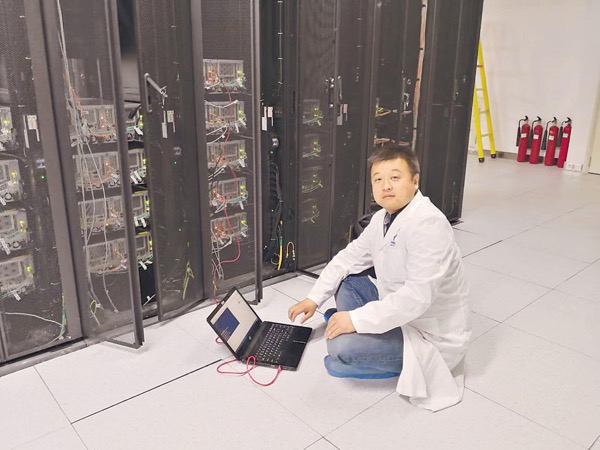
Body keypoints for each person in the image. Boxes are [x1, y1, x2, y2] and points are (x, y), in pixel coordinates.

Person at [288, 143, 470, 411]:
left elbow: (416, 299)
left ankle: (349, 329)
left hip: (426, 333)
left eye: (395, 177)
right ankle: (348, 324)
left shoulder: (429, 225)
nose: (386, 186)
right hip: (396, 310)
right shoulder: (382, 218)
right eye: (378, 179)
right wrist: (313, 298)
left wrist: (355, 319)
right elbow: (347, 259)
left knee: (341, 350)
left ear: (415, 181)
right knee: (347, 280)